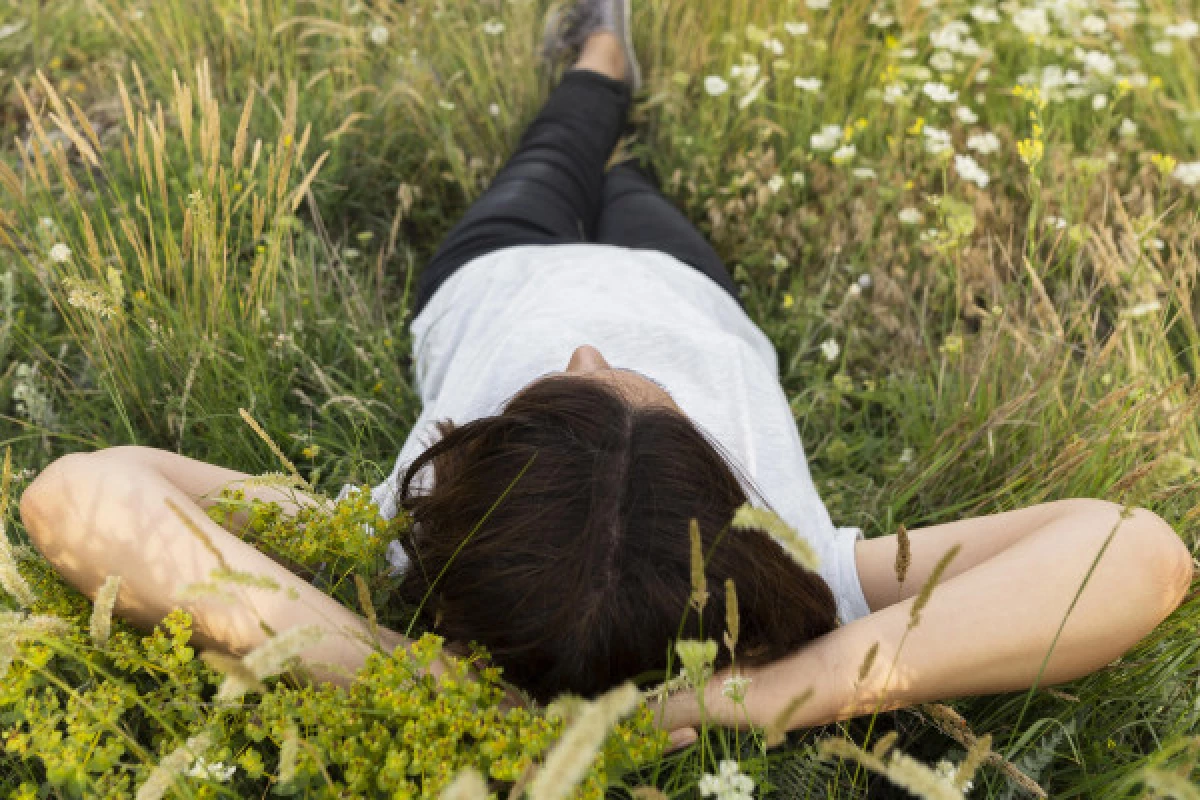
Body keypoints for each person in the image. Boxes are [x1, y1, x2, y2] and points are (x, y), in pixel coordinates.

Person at [17, 0, 1192, 746]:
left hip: (497, 269)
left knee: (555, 153)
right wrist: (789, 688)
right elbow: (1137, 548)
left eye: (571, 387)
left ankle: (596, 67)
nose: (586, 351)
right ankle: (609, 64)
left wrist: (379, 666)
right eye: (634, 391)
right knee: (627, 181)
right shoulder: (789, 564)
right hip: (688, 287)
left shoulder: (413, 535)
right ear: (714, 500)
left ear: (471, 476)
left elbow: (80, 496)